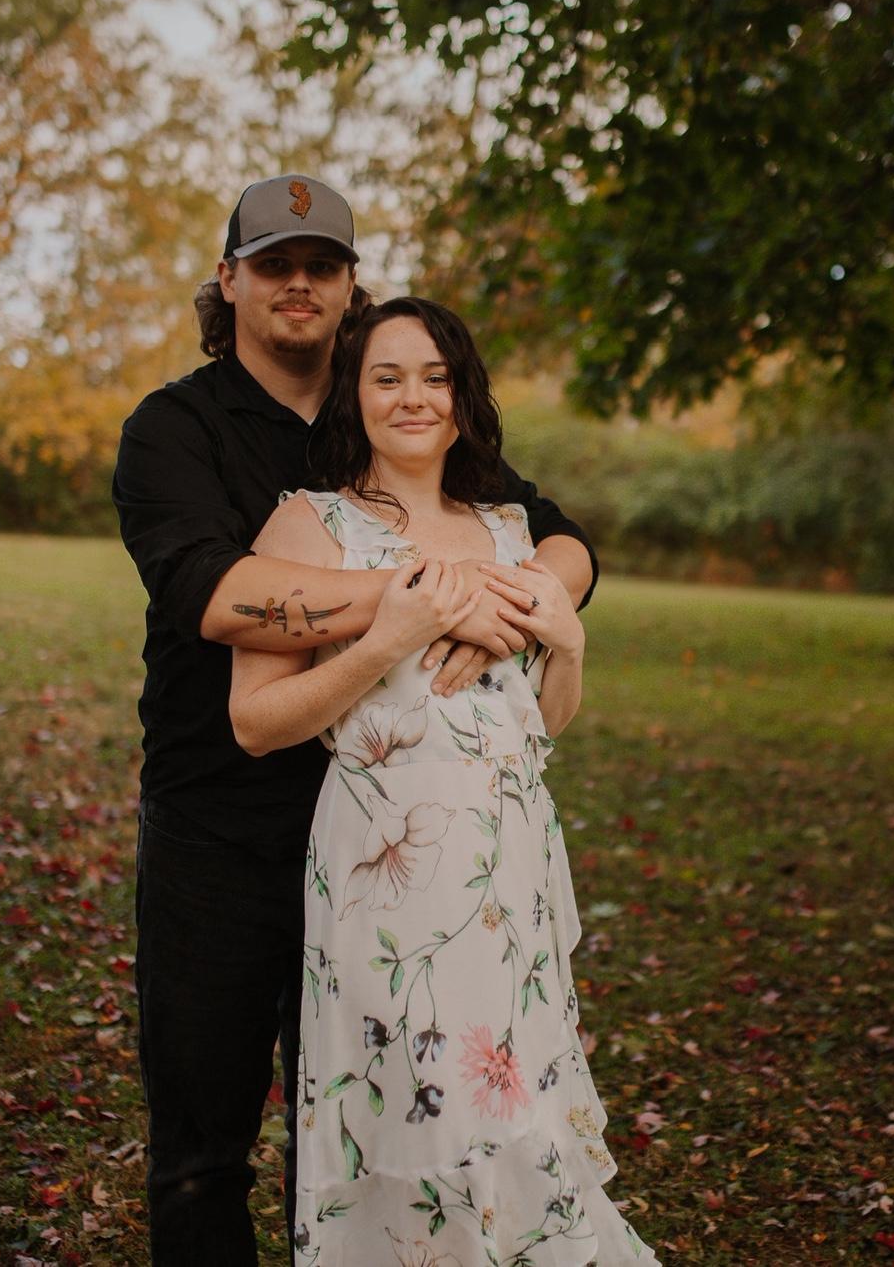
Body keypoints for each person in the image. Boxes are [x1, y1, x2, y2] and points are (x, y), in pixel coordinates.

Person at [112, 175, 598, 1265]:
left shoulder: (391, 398)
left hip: (395, 846)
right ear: (229, 280)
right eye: (274, 265)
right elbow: (210, 594)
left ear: (347, 285)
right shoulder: (175, 428)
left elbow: (558, 540)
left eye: (320, 266)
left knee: (359, 1131)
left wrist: (530, 605)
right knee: (203, 1143)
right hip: (220, 822)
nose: (298, 284)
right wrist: (425, 598)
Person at [229, 296, 659, 1265]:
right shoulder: (309, 525)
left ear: (464, 397)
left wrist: (569, 646)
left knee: (514, 1108)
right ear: (354, 394)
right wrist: (387, 637)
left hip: (509, 874)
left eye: (435, 376)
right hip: (389, 880)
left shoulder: (509, 533)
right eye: (386, 377)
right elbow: (254, 721)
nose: (413, 397)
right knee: (421, 1110)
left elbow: (540, 723)